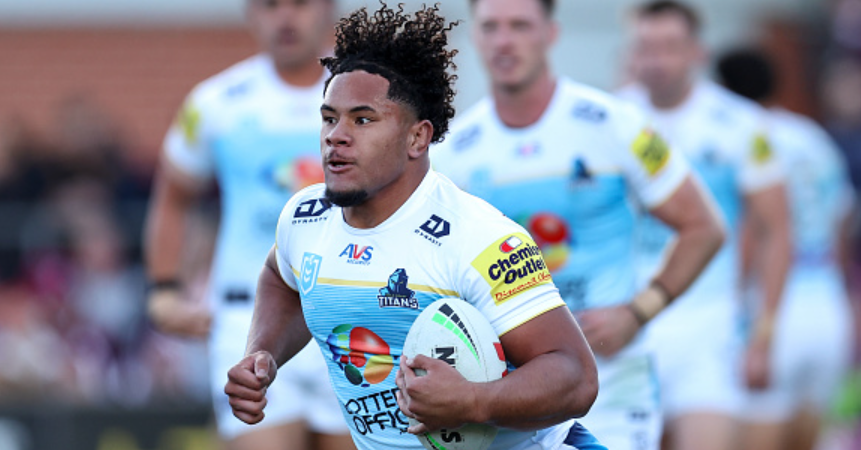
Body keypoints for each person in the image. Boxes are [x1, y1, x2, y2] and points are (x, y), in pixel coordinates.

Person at [224, 3, 607, 449]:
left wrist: (474, 402)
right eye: (329, 118)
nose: (335, 136)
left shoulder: (477, 237)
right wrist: (263, 353)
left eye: (362, 119)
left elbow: (576, 377)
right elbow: (281, 277)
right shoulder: (304, 217)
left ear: (417, 137)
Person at [432, 0, 726, 449]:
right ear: (475, 36)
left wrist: (638, 312)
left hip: (613, 375)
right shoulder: (453, 151)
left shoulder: (615, 123)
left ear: (551, 33)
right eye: (491, 27)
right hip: (513, 386)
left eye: (520, 25)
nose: (504, 41)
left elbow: (704, 227)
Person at [143, 1, 355, 449]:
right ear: (250, 12)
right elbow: (173, 196)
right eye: (270, 4)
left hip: (353, 311)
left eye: (300, 3)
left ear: (329, 8)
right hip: (249, 322)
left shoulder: (371, 92)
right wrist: (164, 289)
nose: (286, 18)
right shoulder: (215, 103)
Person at [618, 3, 793, 450]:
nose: (657, 60)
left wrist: (764, 334)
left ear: (698, 51)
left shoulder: (741, 124)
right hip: (628, 327)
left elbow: (776, 230)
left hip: (710, 329)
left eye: (670, 47)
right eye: (646, 47)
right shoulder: (613, 119)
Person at [717, 48, 855, 450]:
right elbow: (844, 217)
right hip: (827, 304)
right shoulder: (813, 137)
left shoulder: (741, 138)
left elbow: (754, 228)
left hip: (771, 309)